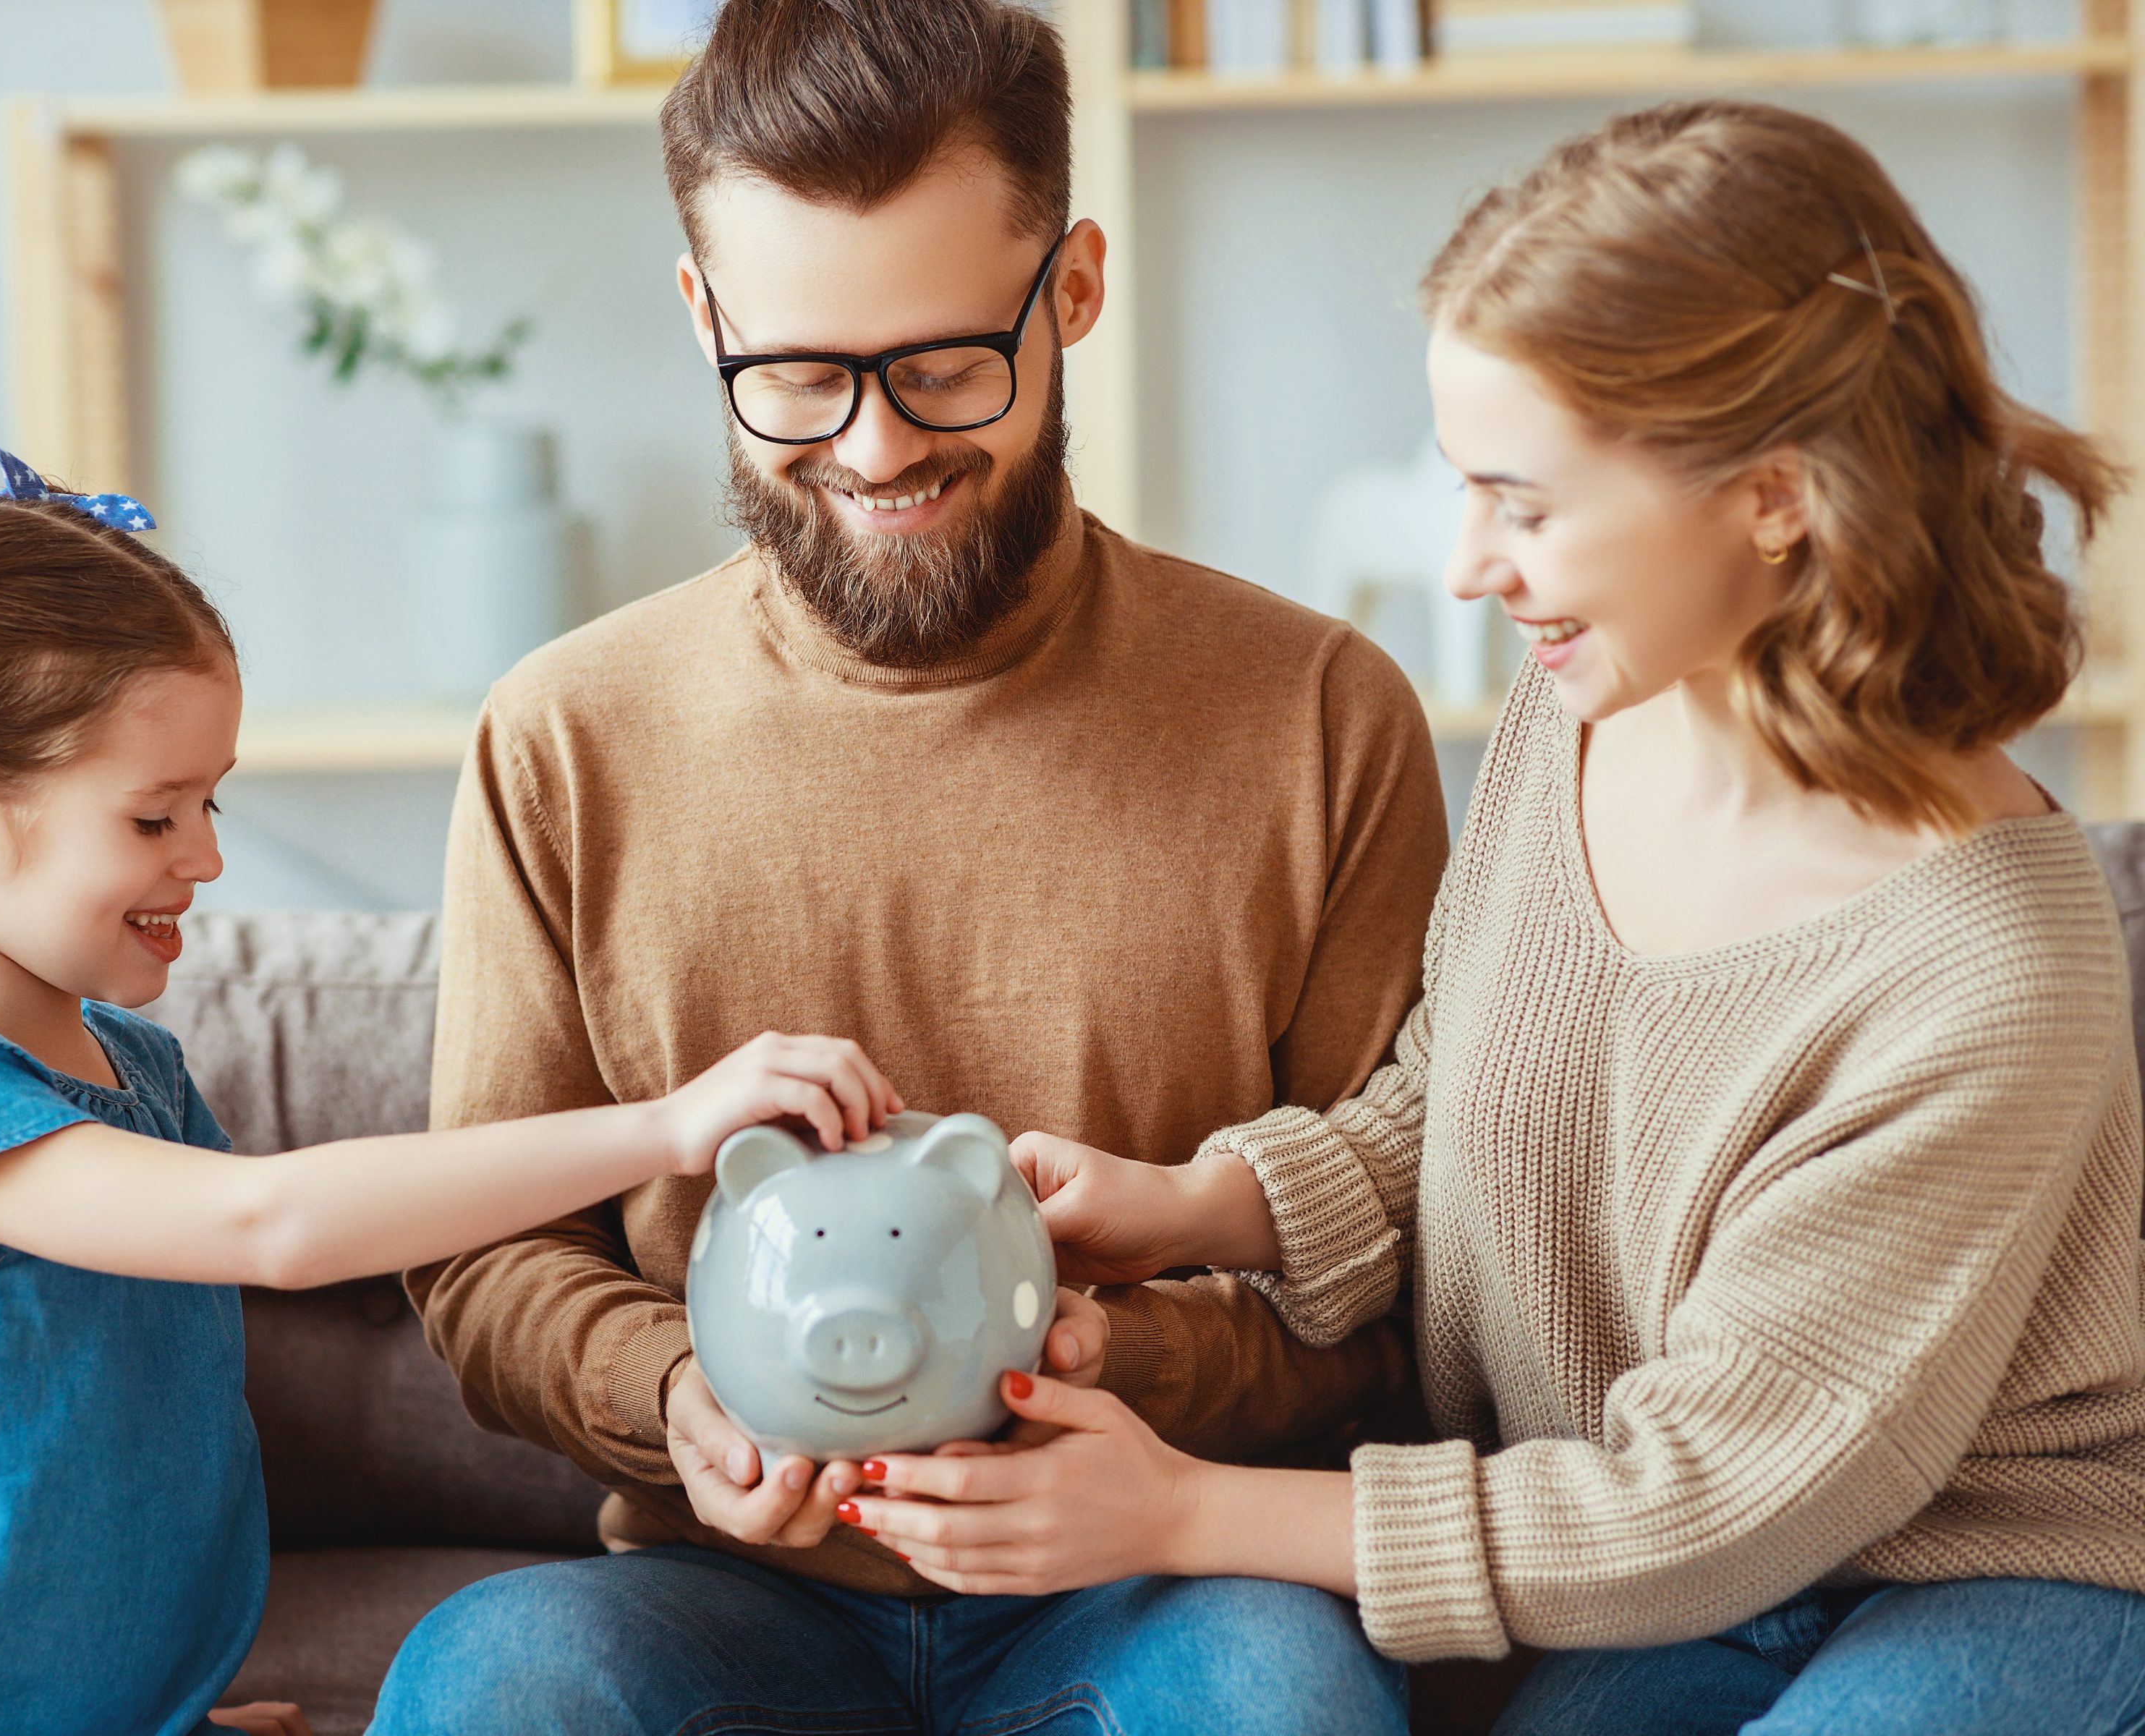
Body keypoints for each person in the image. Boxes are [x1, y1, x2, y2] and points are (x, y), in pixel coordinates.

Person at [841, 100, 2145, 1736]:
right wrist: (1194, 1207)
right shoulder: (1585, 715)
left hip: (1974, 1575)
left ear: (1773, 498)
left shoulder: (1984, 974)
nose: (1469, 568)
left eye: (1523, 505)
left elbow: (1714, 1495)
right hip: (1659, 1575)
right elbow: (1467, 1102)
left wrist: (1182, 1511)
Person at [372, 1, 1445, 1731]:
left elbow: (1403, 1259)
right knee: (502, 1679)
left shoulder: (1319, 717)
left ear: (1074, 289)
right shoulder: (561, 739)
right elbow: (487, 1258)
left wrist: (1119, 1362)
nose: (876, 451)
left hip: (1157, 1575)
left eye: (948, 366)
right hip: (728, 1594)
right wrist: (686, 1398)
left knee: (1285, 1706)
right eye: (796, 374)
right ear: (703, 316)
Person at [0, 451, 900, 1736]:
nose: (207, 858)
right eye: (155, 819)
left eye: (211, 803)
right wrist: (666, 1126)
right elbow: (276, 1225)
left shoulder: (136, 1074)